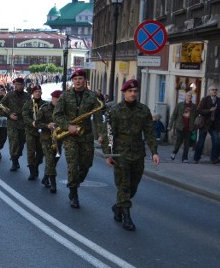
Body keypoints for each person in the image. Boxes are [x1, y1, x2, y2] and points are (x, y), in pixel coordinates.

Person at [102, 79, 159, 231]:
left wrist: (154, 152)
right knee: (124, 185)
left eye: (135, 91)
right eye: (130, 91)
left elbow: (149, 133)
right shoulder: (115, 110)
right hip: (121, 153)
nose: (133, 94)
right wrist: (109, 154)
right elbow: (108, 134)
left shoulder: (143, 110)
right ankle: (127, 218)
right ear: (124, 92)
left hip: (138, 152)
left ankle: (118, 206)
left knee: (133, 186)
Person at [53, 69, 103, 208]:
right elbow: (56, 115)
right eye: (75, 79)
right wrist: (68, 126)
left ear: (85, 80)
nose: (78, 81)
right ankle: (73, 192)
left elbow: (98, 117)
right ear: (72, 81)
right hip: (70, 136)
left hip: (86, 135)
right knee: (73, 164)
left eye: (80, 78)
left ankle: (76, 182)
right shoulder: (65, 96)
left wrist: (101, 134)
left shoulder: (92, 96)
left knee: (87, 164)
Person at [1, 77, 29, 171]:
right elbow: (1, 105)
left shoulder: (27, 96)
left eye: (19, 84)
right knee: (13, 142)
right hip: (12, 122)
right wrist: (9, 114)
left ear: (23, 85)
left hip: (23, 123)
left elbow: (31, 109)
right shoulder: (9, 95)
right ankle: (14, 161)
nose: (16, 86)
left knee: (21, 143)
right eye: (15, 84)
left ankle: (17, 156)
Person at [36, 89, 62, 193]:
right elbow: (37, 123)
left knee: (56, 158)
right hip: (46, 138)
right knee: (50, 160)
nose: (59, 101)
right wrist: (47, 125)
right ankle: (53, 182)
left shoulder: (64, 109)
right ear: (53, 98)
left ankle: (46, 177)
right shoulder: (44, 108)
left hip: (59, 138)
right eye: (57, 99)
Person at [193, 86, 220, 164]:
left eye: (216, 90)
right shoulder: (205, 99)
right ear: (209, 91)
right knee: (201, 142)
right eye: (213, 90)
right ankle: (196, 158)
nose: (214, 91)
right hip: (205, 124)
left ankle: (214, 158)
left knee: (216, 141)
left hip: (215, 124)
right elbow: (199, 110)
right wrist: (209, 110)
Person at [22, 85, 45, 180]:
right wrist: (32, 122)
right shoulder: (28, 104)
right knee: (31, 151)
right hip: (30, 131)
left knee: (40, 152)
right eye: (36, 92)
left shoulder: (45, 104)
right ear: (32, 93)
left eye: (39, 91)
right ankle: (32, 171)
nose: (38, 93)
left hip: (42, 132)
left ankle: (36, 165)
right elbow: (25, 115)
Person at [169, 91, 197, 163]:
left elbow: (196, 116)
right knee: (178, 142)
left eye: (191, 96)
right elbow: (174, 115)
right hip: (180, 126)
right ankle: (174, 152)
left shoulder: (193, 106)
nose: (189, 97)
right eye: (188, 95)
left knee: (187, 144)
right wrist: (170, 125)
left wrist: (195, 126)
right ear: (185, 96)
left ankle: (185, 158)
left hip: (189, 127)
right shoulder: (180, 105)